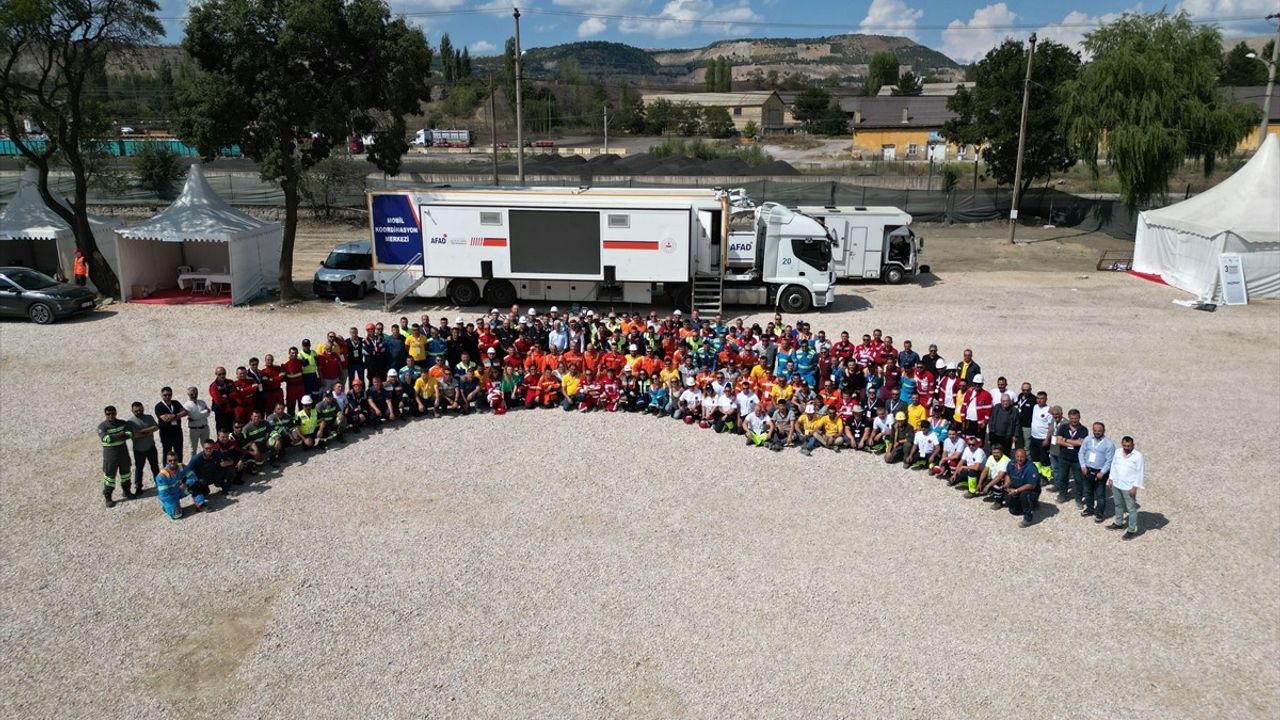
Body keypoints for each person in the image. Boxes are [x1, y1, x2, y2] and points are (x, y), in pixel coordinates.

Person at [1108, 436, 1145, 539]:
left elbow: (1140, 472)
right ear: (1121, 444)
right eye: (1124, 445)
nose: (1126, 448)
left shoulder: (1138, 456)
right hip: (1116, 484)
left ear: (1133, 445)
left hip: (1128, 486)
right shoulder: (1118, 452)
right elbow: (1113, 465)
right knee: (1118, 504)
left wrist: (1135, 487)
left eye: (1128, 446)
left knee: (1131, 509)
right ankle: (1119, 523)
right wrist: (1111, 478)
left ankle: (1131, 530)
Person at [1079, 421, 1116, 523]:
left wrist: (1103, 472)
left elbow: (1110, 460)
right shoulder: (1087, 439)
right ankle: (1090, 509)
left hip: (1099, 473)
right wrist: (1082, 466)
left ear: (1104, 431)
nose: (1097, 432)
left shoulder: (1109, 444)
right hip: (1087, 470)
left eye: (1099, 431)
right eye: (1095, 430)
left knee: (1100, 495)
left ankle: (1099, 513)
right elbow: (1081, 452)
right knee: (1087, 491)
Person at [98, 406, 132, 507]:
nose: (111, 416)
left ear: (116, 413)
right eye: (108, 414)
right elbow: (106, 439)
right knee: (109, 476)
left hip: (123, 453)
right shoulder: (102, 426)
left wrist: (114, 437)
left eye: (113, 413)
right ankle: (108, 496)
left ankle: (127, 491)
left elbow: (130, 434)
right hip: (110, 456)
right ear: (105, 415)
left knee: (126, 473)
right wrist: (120, 435)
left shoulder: (122, 423)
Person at [156, 452, 206, 519]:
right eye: (170, 460)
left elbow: (193, 477)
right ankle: (166, 506)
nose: (173, 462)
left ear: (178, 459)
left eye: (175, 460)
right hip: (171, 495)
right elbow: (164, 495)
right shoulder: (162, 476)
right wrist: (173, 503)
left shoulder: (182, 467)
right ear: (167, 461)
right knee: (177, 515)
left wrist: (187, 484)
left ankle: (200, 505)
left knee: (198, 484)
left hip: (182, 490)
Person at [1055, 409, 1088, 505]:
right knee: (1063, 477)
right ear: (1069, 418)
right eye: (1072, 418)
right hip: (1064, 458)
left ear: (1079, 418)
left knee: (1078, 480)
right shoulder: (1063, 427)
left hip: (1077, 459)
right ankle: (1063, 494)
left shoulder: (1084, 429)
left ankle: (1078, 498)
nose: (1074, 420)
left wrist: (1065, 440)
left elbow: (1081, 442)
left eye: (1076, 418)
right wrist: (1073, 443)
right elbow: (1058, 441)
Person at [126, 402, 159, 496]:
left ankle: (159, 484)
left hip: (151, 447)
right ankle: (138, 487)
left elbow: (156, 427)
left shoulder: (149, 417)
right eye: (136, 411)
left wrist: (142, 431)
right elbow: (134, 435)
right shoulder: (130, 422)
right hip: (139, 450)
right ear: (132, 411)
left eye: (141, 410)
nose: (139, 412)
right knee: (139, 469)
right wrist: (148, 431)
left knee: (155, 466)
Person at [1004, 448, 1041, 528]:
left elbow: (1031, 485)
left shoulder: (1030, 467)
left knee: (1024, 495)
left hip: (1030, 490)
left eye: (1022, 457)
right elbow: (1008, 475)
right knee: (1014, 511)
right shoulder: (1011, 464)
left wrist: (1016, 490)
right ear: (1015, 456)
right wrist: (1006, 485)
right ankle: (1027, 504)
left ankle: (1028, 518)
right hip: (1016, 488)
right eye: (1017, 457)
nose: (1019, 459)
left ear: (1026, 457)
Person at [154, 387, 186, 462]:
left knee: (179, 452)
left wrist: (173, 416)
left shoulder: (176, 403)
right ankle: (166, 471)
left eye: (169, 395)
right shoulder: (159, 406)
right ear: (161, 395)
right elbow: (165, 419)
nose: (167, 397)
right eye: (165, 395)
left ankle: (179, 469)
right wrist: (178, 415)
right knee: (167, 452)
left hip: (177, 432)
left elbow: (185, 412)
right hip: (166, 433)